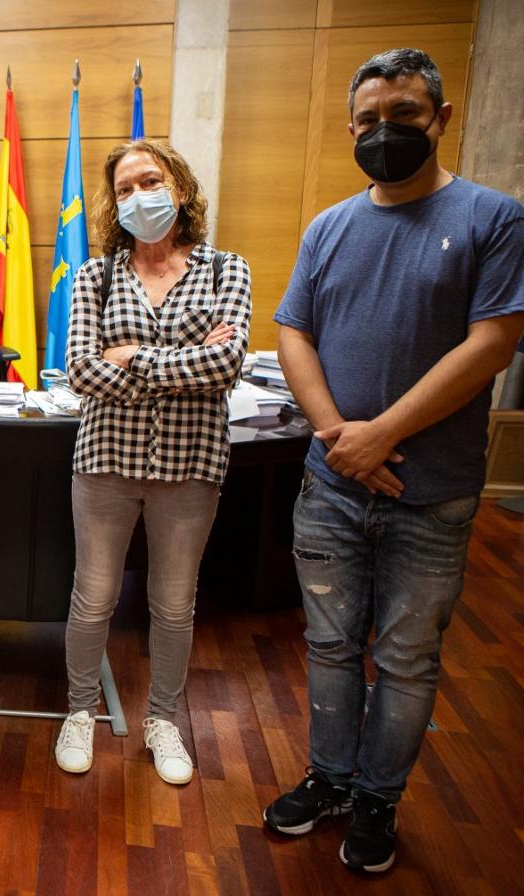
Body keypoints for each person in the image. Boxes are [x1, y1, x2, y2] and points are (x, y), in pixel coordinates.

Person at [263, 48, 524, 873]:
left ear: (439, 118)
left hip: (430, 493)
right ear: (351, 129)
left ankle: (379, 798)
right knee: (330, 645)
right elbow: (293, 333)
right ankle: (330, 778)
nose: (385, 132)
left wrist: (381, 434)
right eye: (369, 120)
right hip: (333, 486)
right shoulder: (328, 227)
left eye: (403, 115)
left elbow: (492, 344)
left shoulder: (494, 218)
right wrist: (342, 436)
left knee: (407, 659)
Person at [58, 139, 251, 785]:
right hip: (105, 461)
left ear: (180, 187)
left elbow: (226, 365)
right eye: (125, 189)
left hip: (192, 466)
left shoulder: (226, 270)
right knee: (93, 599)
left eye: (150, 181)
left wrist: (132, 356)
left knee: (172, 604)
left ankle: (162, 720)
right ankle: (79, 711)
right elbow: (80, 371)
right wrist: (182, 365)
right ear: (113, 204)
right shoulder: (95, 276)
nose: (139, 196)